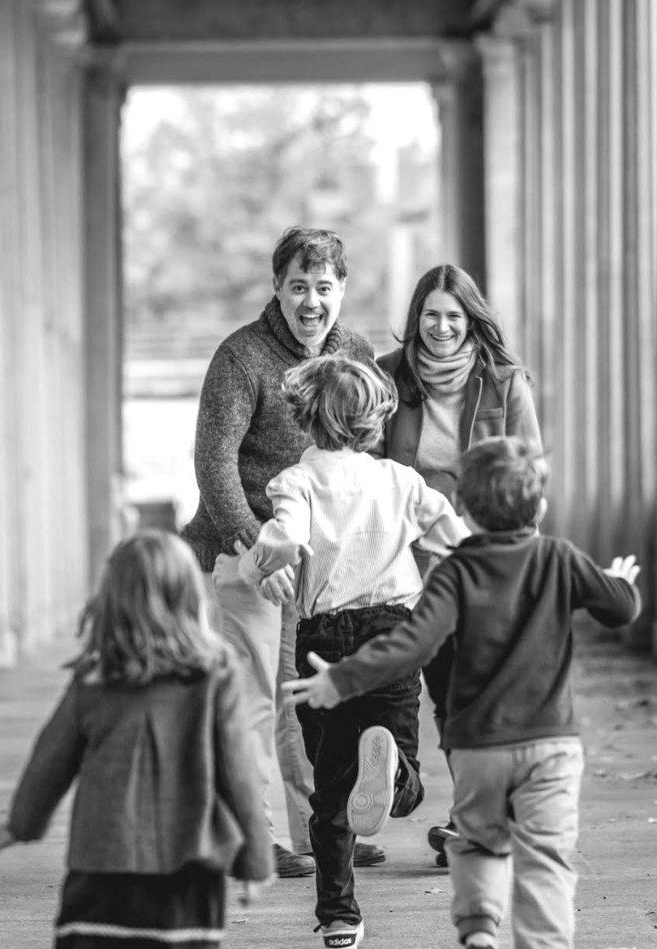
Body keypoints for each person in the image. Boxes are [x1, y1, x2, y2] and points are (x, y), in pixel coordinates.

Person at [284, 436, 641, 949]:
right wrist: (622, 583)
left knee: (477, 845)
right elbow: (619, 608)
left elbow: (412, 644)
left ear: (467, 511)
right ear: (539, 507)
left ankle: (478, 930)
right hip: (551, 745)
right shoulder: (558, 558)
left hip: (477, 749)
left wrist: (341, 678)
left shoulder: (455, 572)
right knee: (546, 852)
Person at [238, 354, 469, 948]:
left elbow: (283, 536)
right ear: (372, 423)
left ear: (306, 418)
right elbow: (455, 540)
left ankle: (339, 915)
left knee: (332, 789)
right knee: (403, 774)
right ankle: (394, 771)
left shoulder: (296, 481)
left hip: (323, 645)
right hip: (394, 634)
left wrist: (266, 561)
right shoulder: (399, 480)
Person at [180, 226, 383, 878]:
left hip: (319, 560)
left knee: (311, 697)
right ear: (277, 288)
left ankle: (323, 831)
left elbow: (369, 451)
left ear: (342, 289)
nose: (311, 301)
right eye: (299, 286)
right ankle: (250, 835)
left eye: (324, 287)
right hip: (242, 552)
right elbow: (215, 466)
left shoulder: (355, 353)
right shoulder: (241, 358)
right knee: (253, 698)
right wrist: (261, 552)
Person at [0, 530, 274, 949]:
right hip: (188, 873)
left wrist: (22, 823)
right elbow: (238, 772)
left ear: (112, 598)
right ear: (189, 595)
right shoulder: (215, 674)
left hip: (101, 864)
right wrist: (255, 860)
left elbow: (52, 756)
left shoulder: (96, 675)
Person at [377, 263, 543, 865]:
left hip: (482, 561)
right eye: (431, 314)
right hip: (408, 562)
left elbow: (529, 473)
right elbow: (370, 469)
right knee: (432, 688)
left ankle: (474, 819)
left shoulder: (504, 381)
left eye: (454, 315)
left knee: (470, 694)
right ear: (415, 318)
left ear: (472, 319)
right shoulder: (388, 377)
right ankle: (461, 810)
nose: (441, 326)